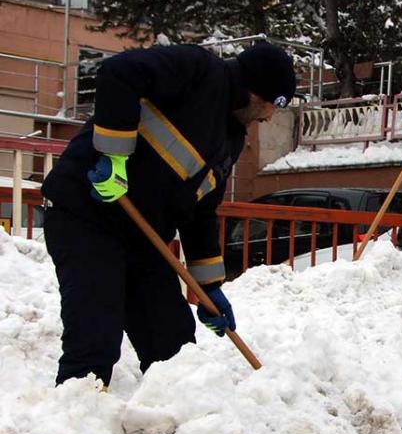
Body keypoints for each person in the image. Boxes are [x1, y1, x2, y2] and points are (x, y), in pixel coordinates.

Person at [42, 42, 296, 387]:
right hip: (86, 214)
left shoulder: (231, 138)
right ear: (257, 93)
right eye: (273, 107)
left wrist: (210, 289)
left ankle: (178, 427)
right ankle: (72, 423)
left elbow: (200, 211)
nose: (268, 118)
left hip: (141, 234)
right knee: (95, 334)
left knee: (173, 342)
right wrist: (114, 156)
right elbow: (119, 73)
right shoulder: (196, 69)